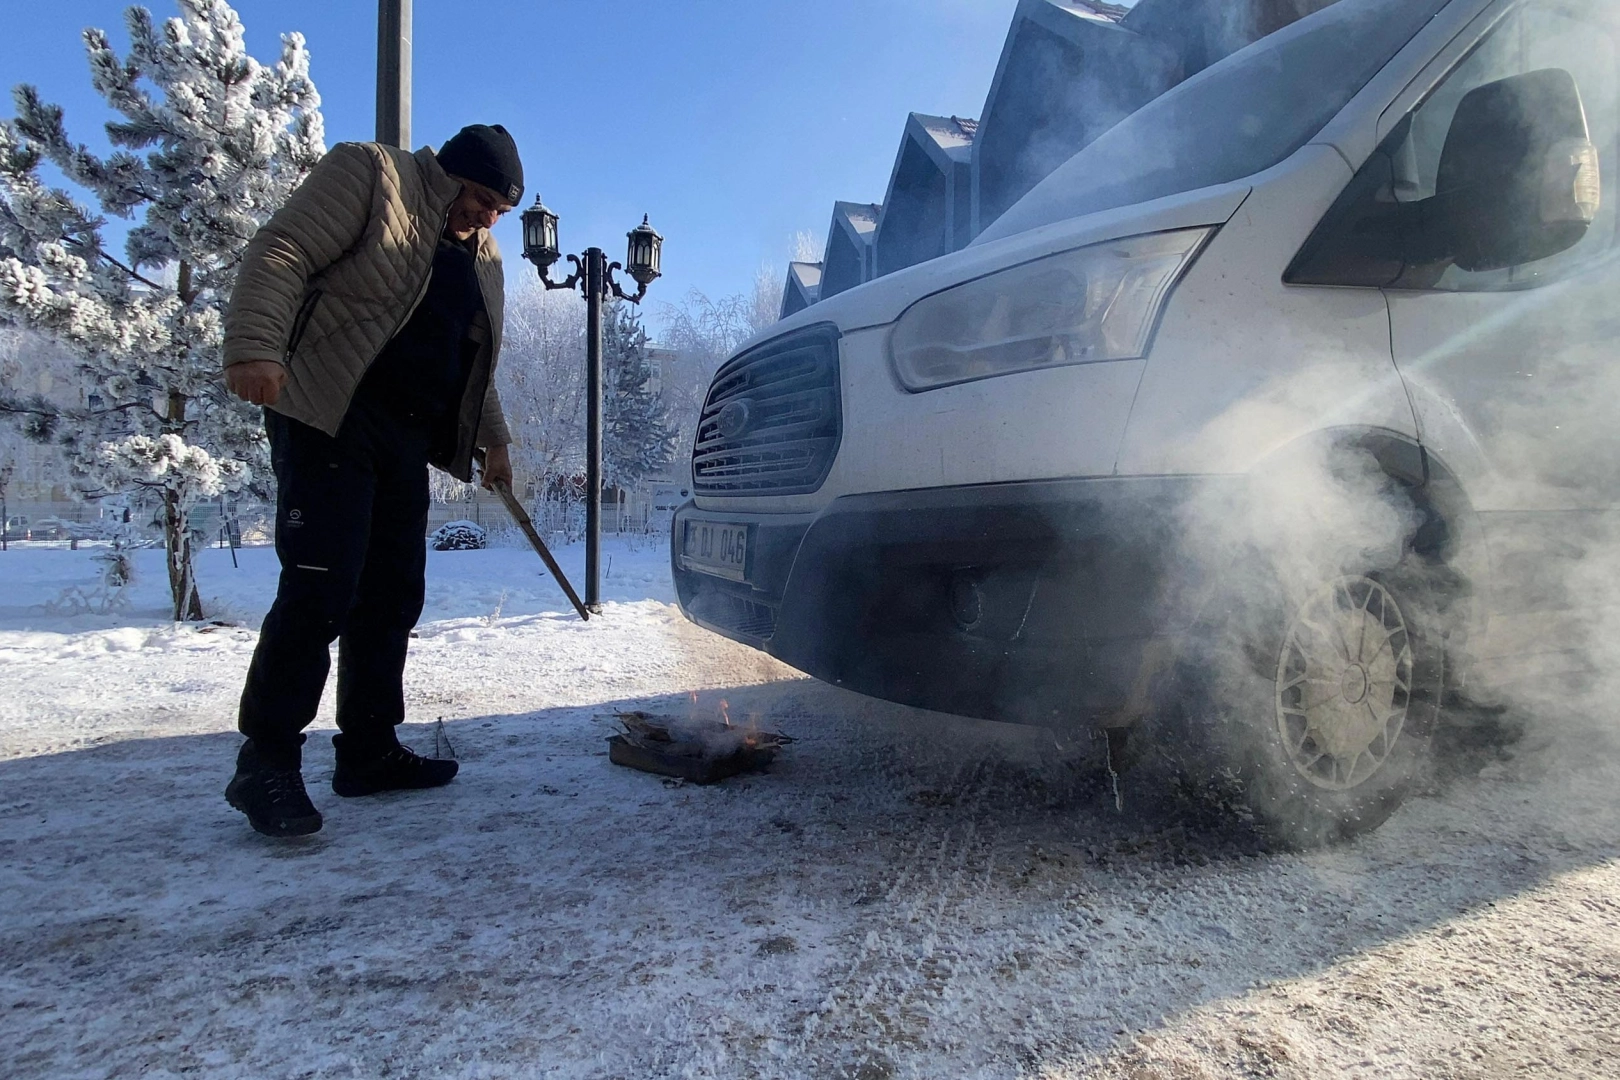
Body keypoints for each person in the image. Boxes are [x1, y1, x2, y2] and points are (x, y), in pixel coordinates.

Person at [220, 125, 525, 838]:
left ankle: (368, 750)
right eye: (481, 199)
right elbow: (282, 250)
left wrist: (495, 440)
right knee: (321, 587)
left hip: (405, 439)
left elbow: (471, 357)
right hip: (330, 414)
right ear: (448, 174)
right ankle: (265, 760)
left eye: (499, 212)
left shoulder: (482, 255)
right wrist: (255, 346)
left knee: (391, 595)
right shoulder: (372, 176)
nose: (486, 219)